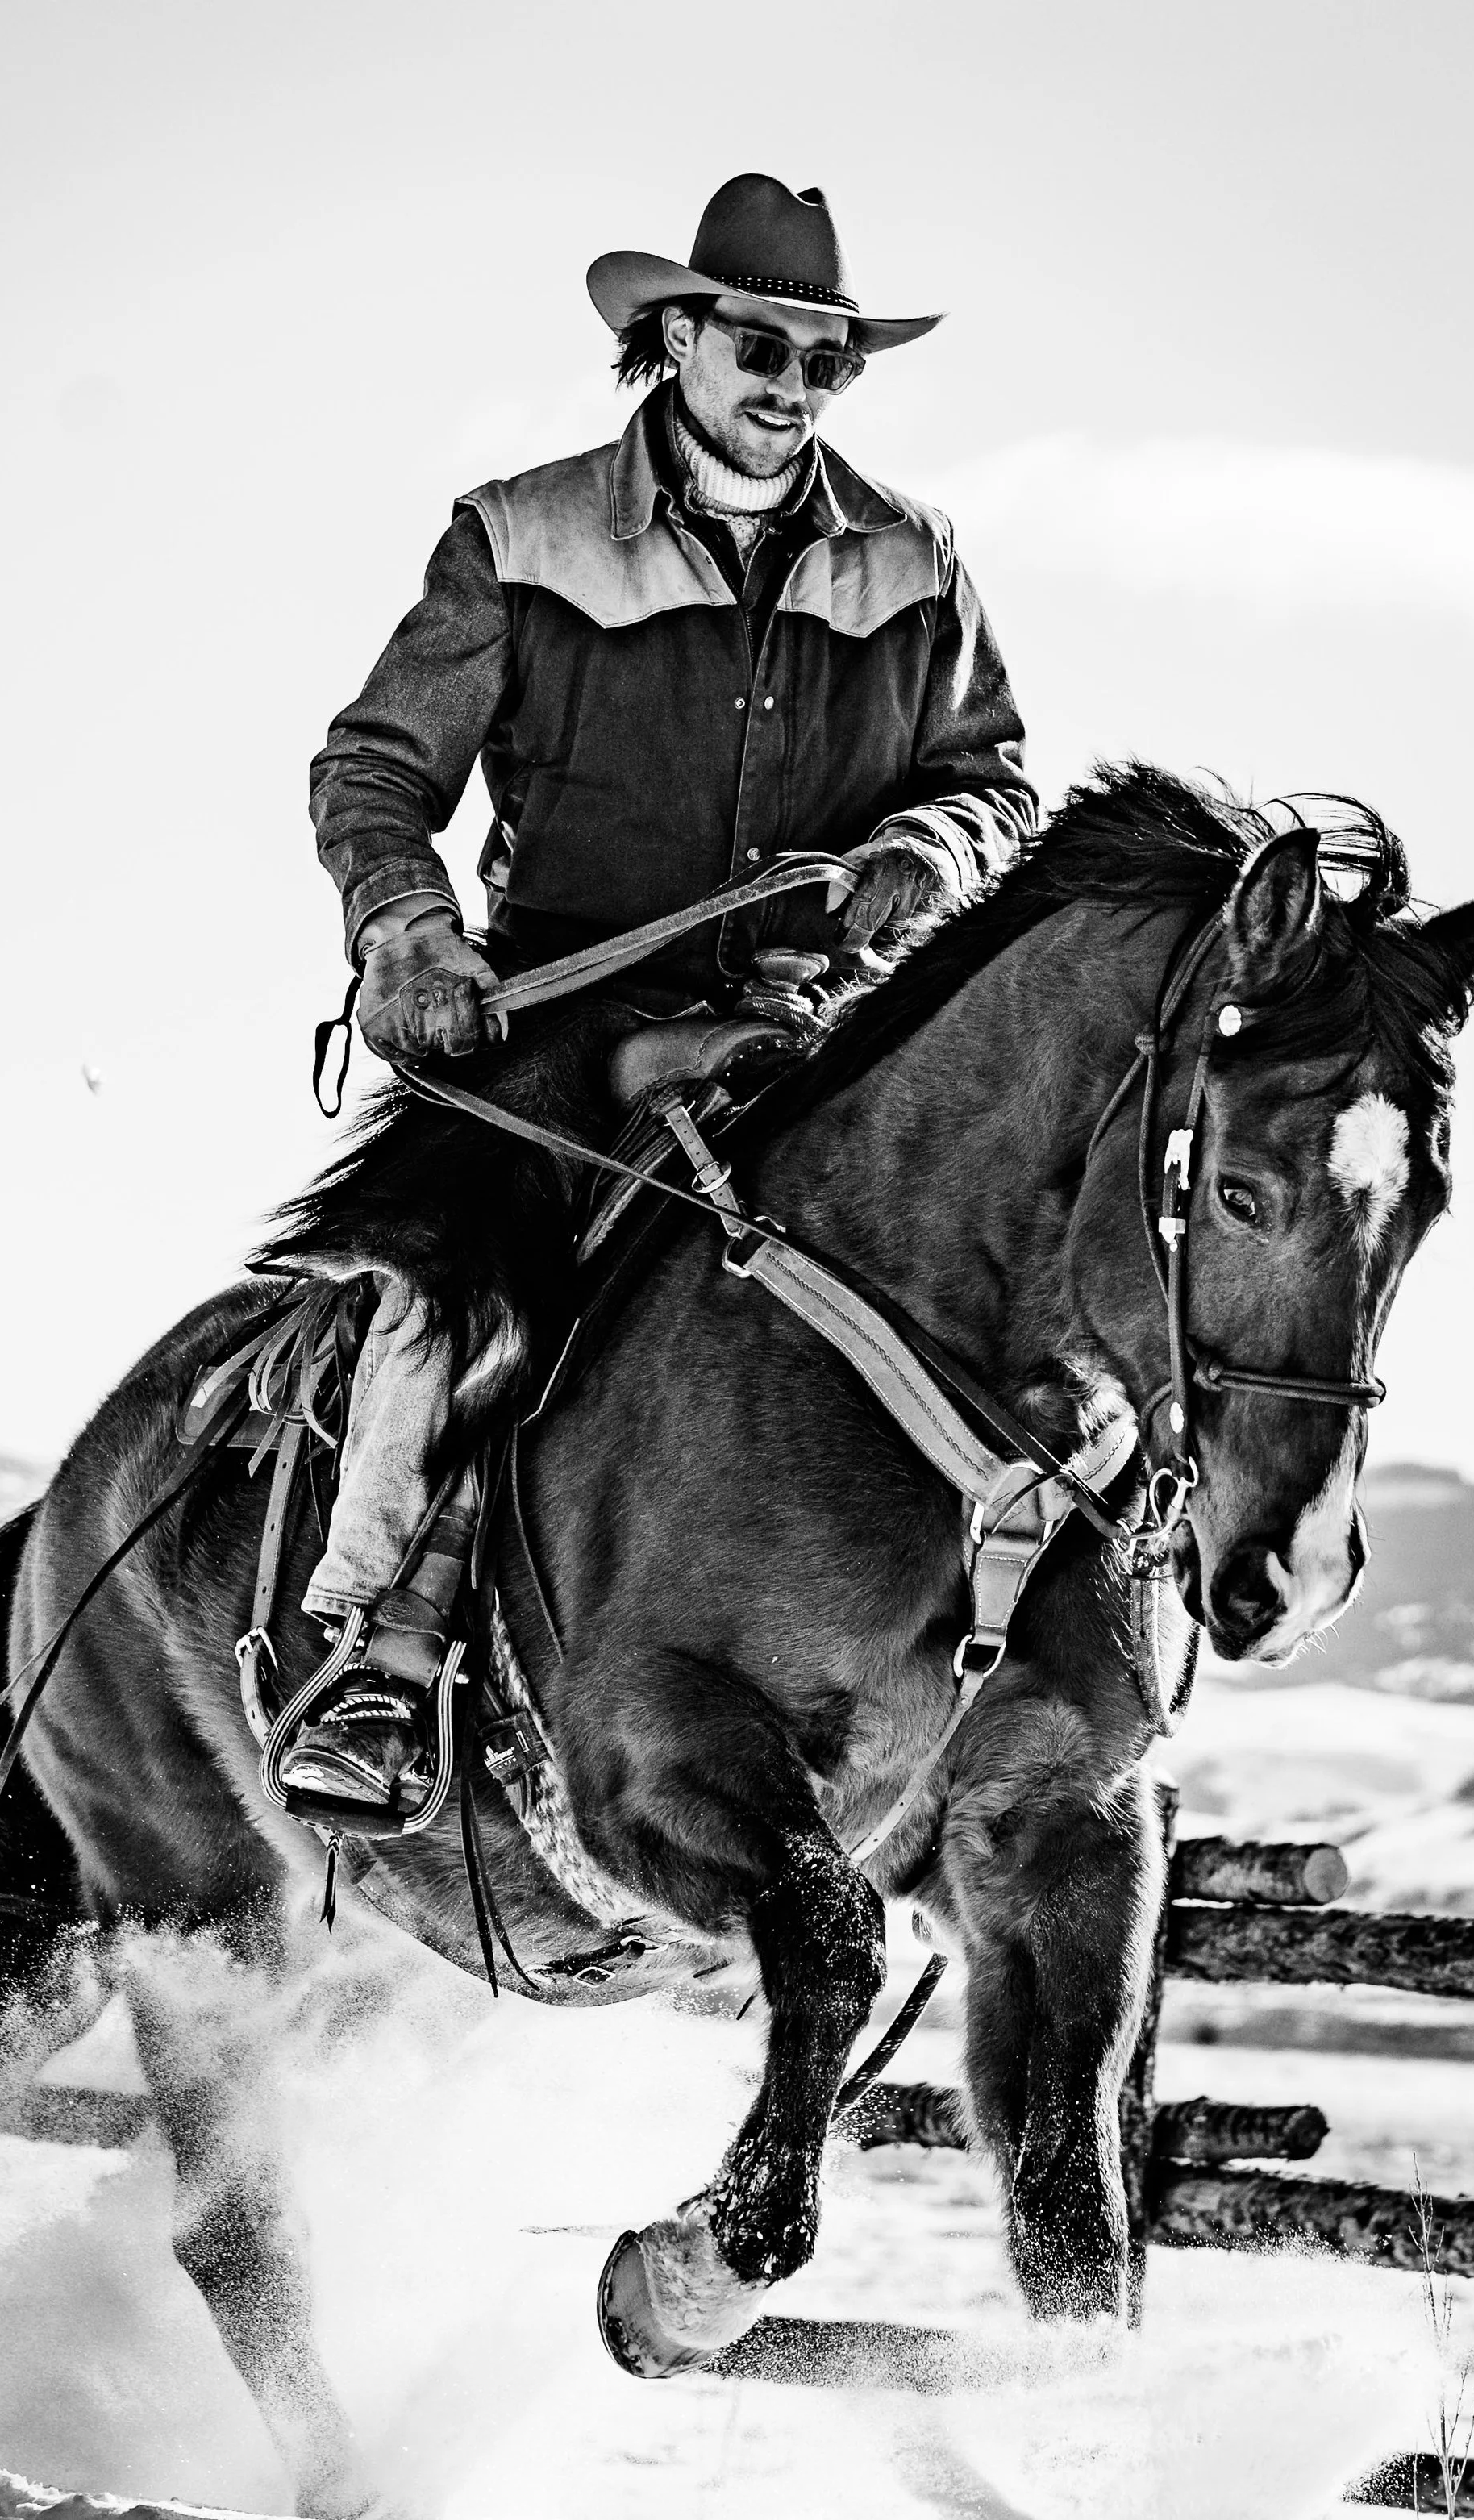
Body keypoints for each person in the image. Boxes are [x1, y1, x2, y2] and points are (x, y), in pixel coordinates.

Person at [269, 172, 1040, 1826]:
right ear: (673, 338)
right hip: (563, 1018)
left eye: (829, 363)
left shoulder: (916, 558)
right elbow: (378, 764)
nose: (795, 384)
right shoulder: (516, 532)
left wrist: (924, 840)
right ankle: (379, 1656)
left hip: (818, 1021)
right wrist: (408, 925)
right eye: (762, 344)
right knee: (445, 1280)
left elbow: (989, 779)